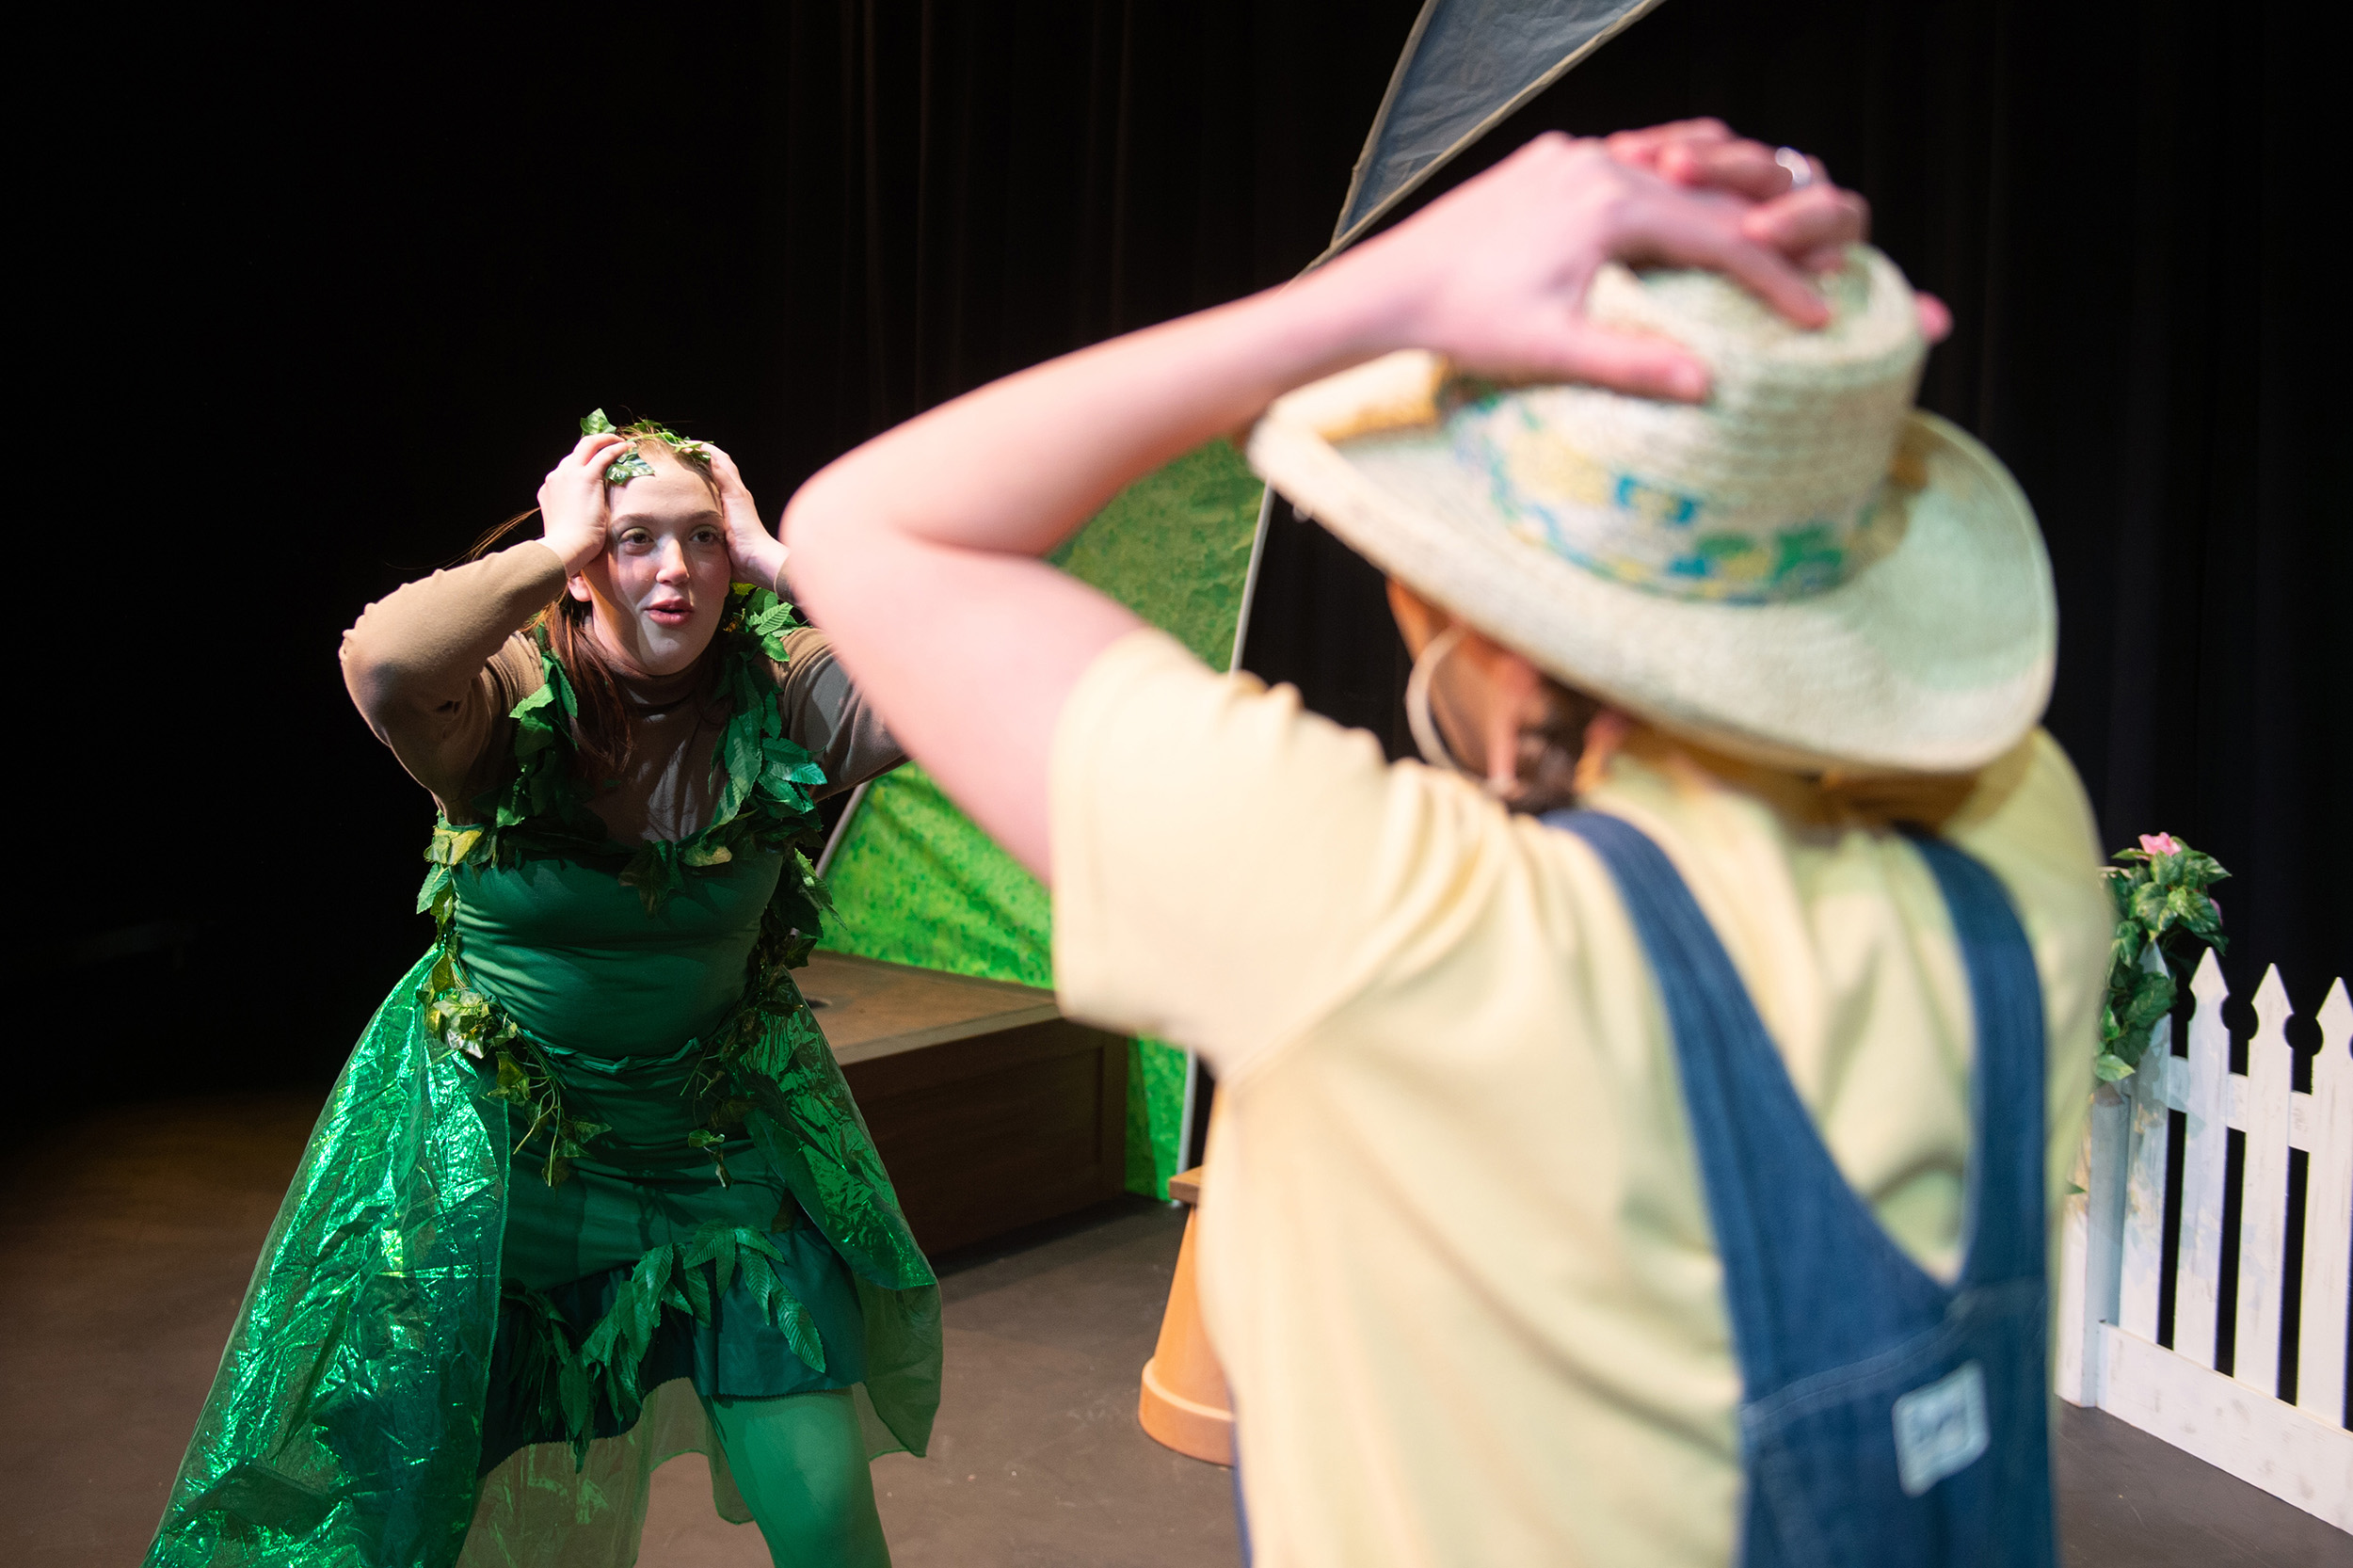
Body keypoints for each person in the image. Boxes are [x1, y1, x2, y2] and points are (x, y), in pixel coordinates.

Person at [782, 120, 2108, 1567]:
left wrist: (1377, 293)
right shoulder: (2024, 840)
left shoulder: (1408, 927)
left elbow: (868, 529)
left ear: (1484, 624)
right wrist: (1805, 405)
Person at [147, 418, 938, 1568]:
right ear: (580, 565)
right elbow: (382, 662)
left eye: (702, 541)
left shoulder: (780, 691)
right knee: (400, 1508)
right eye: (633, 541)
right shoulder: (509, 693)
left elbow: (951, 665)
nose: (674, 571)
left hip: (713, 1153)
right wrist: (556, 540)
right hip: (502, 1160)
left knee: (826, 1517)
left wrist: (778, 556)